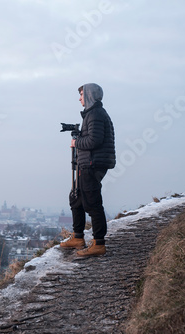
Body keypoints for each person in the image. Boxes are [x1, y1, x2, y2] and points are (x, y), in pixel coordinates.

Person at [60, 83, 116, 256]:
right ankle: (78, 237)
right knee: (76, 198)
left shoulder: (95, 114)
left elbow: (94, 141)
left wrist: (77, 142)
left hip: (92, 164)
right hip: (88, 163)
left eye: (82, 94)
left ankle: (99, 243)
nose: (79, 98)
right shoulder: (92, 114)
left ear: (90, 95)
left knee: (92, 202)